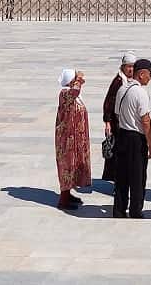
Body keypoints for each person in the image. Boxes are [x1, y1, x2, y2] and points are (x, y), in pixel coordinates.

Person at [113, 58, 151, 218]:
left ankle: (119, 209)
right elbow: (145, 120)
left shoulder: (122, 89)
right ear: (142, 74)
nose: (150, 77)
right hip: (136, 138)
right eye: (149, 73)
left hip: (122, 135)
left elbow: (116, 114)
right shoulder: (140, 93)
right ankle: (135, 210)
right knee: (138, 176)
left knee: (122, 176)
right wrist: (150, 144)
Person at [55, 69, 91, 210]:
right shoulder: (65, 93)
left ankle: (68, 194)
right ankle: (63, 200)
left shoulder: (73, 95)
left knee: (74, 165)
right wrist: (79, 78)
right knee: (67, 166)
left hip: (74, 138)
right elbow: (75, 90)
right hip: (67, 139)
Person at [101, 53, 138, 181]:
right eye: (128, 66)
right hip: (117, 124)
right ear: (123, 67)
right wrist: (107, 122)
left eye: (133, 66)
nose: (131, 69)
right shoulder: (118, 82)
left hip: (127, 123)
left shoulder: (132, 81)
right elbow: (108, 102)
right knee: (118, 153)